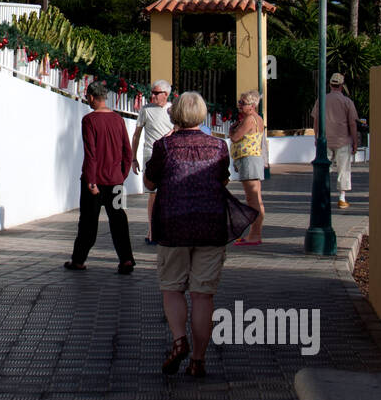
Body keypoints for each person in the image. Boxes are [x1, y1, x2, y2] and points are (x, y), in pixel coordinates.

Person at [145, 92, 254, 376]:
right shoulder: (219, 147)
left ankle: (179, 340)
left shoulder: (164, 147)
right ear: (203, 115)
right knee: (203, 296)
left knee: (172, 288)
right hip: (211, 225)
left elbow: (150, 182)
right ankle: (198, 359)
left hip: (174, 226)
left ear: (175, 114)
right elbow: (222, 179)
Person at [66, 82, 135, 275]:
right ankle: (127, 259)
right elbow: (127, 152)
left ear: (91, 97)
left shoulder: (89, 121)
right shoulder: (119, 120)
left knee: (88, 221)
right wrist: (122, 175)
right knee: (119, 219)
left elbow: (91, 153)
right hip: (116, 181)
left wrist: (91, 180)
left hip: (94, 182)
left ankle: (78, 260)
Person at [131, 80, 173, 244]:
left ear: (166, 94)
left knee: (169, 194)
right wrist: (133, 158)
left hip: (169, 156)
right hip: (151, 155)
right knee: (153, 194)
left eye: (156, 93)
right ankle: (152, 230)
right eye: (152, 92)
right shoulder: (145, 110)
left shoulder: (173, 110)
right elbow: (137, 134)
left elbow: (179, 128)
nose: (152, 95)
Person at [312, 72, 359, 208]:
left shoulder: (322, 100)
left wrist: (316, 137)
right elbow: (352, 123)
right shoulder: (347, 102)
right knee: (343, 169)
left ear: (330, 85)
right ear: (342, 85)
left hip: (326, 139)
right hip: (343, 140)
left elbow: (316, 121)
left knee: (324, 169)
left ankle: (323, 196)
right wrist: (355, 141)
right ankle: (342, 197)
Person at [228, 89, 265, 245]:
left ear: (252, 105)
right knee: (256, 198)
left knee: (253, 199)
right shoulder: (257, 118)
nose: (239, 105)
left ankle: (255, 235)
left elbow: (236, 137)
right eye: (239, 102)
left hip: (249, 159)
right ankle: (255, 233)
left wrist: (232, 130)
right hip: (252, 159)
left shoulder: (250, 119)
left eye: (243, 103)